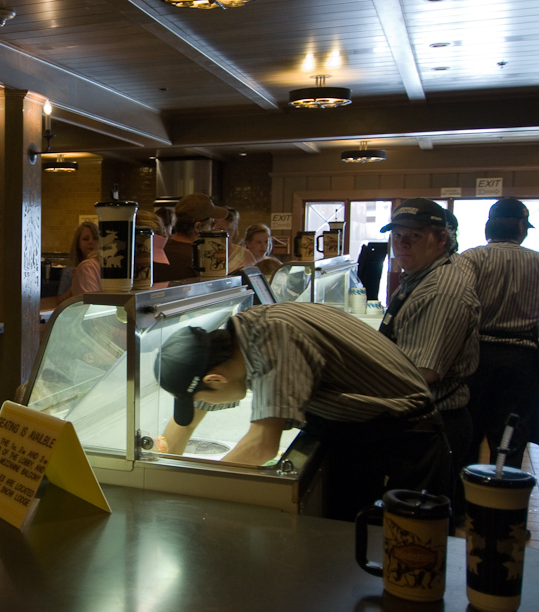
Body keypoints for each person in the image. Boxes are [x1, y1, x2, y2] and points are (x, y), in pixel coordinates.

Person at [155, 302, 451, 522]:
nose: (202, 405)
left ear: (215, 379)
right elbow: (192, 414)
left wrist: (193, 496)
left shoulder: (274, 339)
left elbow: (261, 445)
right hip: (359, 431)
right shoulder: (239, 339)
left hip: (404, 441)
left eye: (200, 396)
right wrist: (164, 475)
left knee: (402, 554)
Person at [378, 198, 479, 515]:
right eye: (397, 236)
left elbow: (422, 373)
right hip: (421, 423)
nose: (402, 244)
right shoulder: (418, 277)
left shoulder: (441, 290)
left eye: (415, 236)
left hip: (433, 427)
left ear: (442, 239)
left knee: (419, 534)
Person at [459, 198, 539, 468]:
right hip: (522, 360)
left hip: (476, 357)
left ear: (487, 227)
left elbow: (460, 306)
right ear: (520, 226)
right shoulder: (537, 261)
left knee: (468, 436)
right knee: (509, 443)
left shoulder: (471, 258)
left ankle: (460, 507)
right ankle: (501, 506)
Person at [156, 193, 228, 282]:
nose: (213, 229)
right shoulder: (201, 260)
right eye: (212, 224)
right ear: (198, 227)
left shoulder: (158, 250)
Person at [55, 221, 100, 302]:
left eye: (95, 238)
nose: (91, 242)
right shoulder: (69, 271)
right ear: (78, 244)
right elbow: (59, 302)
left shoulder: (102, 268)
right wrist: (75, 284)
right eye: (86, 239)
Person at [213, 207, 257, 273]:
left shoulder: (244, 254)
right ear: (212, 228)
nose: (226, 234)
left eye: (230, 230)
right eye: (221, 229)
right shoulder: (203, 251)